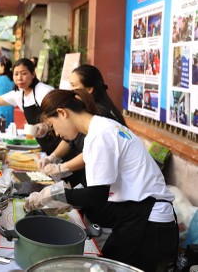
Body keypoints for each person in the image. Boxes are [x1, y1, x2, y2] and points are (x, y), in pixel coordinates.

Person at [25, 89, 178, 271]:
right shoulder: (101, 128)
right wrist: (67, 200)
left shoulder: (100, 134)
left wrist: (51, 193)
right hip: (139, 214)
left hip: (150, 221)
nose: (56, 133)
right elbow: (101, 184)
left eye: (52, 125)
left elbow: (96, 195)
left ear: (62, 113)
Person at [38, 64, 126, 188]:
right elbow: (70, 139)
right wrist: (52, 157)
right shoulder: (84, 110)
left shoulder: (101, 116)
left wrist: (61, 167)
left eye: (74, 86)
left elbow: (91, 152)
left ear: (89, 89)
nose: (70, 91)